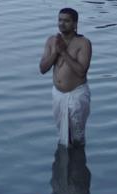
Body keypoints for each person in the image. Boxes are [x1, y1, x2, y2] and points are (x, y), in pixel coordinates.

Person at [39, 8, 92, 145]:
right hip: (58, 95)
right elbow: (43, 69)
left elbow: (81, 71)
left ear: (75, 24)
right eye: (60, 20)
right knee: (62, 138)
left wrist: (63, 52)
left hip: (77, 94)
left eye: (66, 21)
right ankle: (65, 164)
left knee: (77, 138)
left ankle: (78, 164)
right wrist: (55, 52)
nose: (62, 24)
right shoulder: (52, 41)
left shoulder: (83, 43)